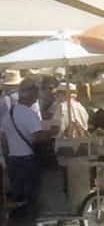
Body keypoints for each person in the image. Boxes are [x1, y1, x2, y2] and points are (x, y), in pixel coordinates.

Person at [0, 78, 50, 214]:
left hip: (13, 159)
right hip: (28, 160)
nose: (37, 96)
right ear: (30, 94)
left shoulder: (9, 114)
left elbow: (3, 137)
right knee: (31, 196)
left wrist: (8, 154)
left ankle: (19, 218)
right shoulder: (29, 114)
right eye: (36, 92)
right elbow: (37, 137)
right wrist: (51, 133)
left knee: (18, 197)